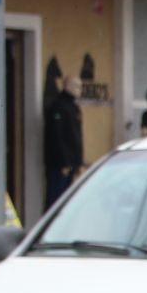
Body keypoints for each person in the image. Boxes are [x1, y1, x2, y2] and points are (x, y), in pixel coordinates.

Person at [44, 74, 84, 207]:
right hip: (60, 164)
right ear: (67, 86)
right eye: (76, 86)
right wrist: (63, 162)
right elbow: (57, 136)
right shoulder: (58, 106)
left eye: (80, 86)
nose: (79, 89)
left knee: (67, 201)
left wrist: (78, 163)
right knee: (56, 200)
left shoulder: (74, 107)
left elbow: (76, 137)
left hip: (71, 162)